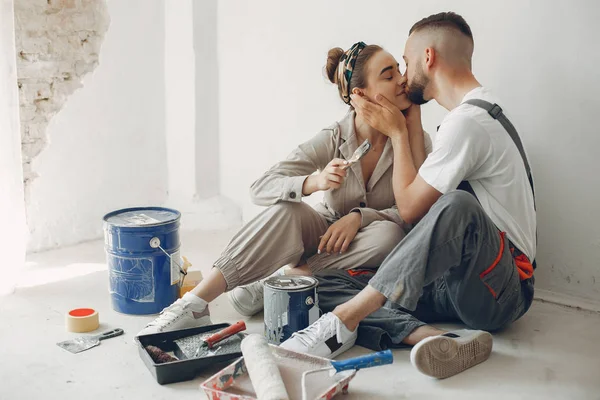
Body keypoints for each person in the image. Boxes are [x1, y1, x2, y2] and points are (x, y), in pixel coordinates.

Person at [281, 12, 537, 380]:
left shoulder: (469, 122)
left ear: (427, 58)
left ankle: (344, 319)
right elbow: (422, 221)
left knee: (458, 206)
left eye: (404, 61)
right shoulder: (464, 117)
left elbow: (414, 209)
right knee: (318, 284)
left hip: (504, 288)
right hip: (463, 282)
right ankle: (434, 338)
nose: (403, 75)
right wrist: (410, 123)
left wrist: (399, 135)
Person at [137, 42, 432, 337]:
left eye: (399, 70)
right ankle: (195, 303)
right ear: (361, 94)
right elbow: (261, 188)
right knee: (287, 210)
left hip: (365, 245)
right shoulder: (335, 136)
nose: (403, 80)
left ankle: (292, 275)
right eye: (389, 75)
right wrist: (312, 182)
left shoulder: (413, 139)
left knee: (390, 235)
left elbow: (415, 214)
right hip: (321, 235)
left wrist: (359, 217)